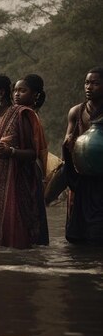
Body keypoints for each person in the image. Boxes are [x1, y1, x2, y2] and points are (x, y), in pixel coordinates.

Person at [0, 74, 43, 248]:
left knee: (17, 238)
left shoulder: (20, 115)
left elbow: (34, 153)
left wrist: (11, 151)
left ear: (2, 93)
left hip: (17, 185)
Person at [62, 66, 103, 244]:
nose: (89, 87)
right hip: (82, 177)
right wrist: (69, 145)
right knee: (77, 233)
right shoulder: (76, 111)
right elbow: (67, 142)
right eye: (87, 83)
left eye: (95, 83)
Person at [13, 74, 50, 245]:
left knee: (31, 214)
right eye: (15, 90)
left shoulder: (30, 116)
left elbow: (36, 150)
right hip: (18, 171)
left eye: (22, 90)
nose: (17, 94)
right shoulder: (17, 115)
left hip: (29, 171)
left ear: (35, 95)